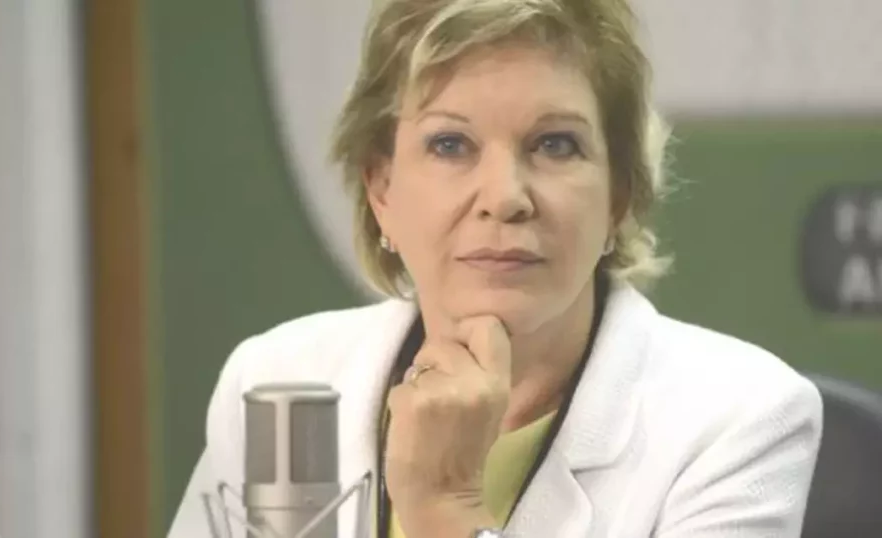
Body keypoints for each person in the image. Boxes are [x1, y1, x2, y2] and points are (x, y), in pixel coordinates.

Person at [168, 0, 823, 536]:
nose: (505, 196)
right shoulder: (279, 384)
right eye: (450, 144)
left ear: (619, 197)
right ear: (382, 189)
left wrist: (446, 512)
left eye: (555, 144)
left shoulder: (738, 421)